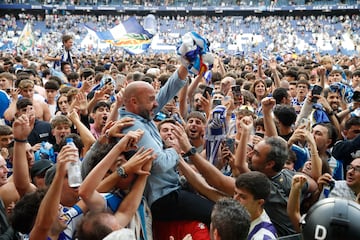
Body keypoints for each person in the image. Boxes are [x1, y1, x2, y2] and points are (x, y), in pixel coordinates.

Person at [118, 64, 214, 226]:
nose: (156, 104)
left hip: (171, 190)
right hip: (163, 197)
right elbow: (160, 163)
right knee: (217, 214)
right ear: (134, 102)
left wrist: (186, 64)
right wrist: (175, 149)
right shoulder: (133, 126)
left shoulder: (142, 114)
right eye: (150, 100)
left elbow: (168, 91)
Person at [234, 171, 277, 240]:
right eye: (235, 193)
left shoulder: (262, 237)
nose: (235, 199)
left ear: (260, 203)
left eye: (243, 197)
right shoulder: (246, 216)